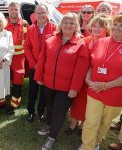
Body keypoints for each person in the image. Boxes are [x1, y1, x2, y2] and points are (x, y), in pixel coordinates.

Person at [34, 13, 89, 150]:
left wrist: (74, 88)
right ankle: (48, 123)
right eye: (65, 22)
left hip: (66, 87)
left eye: (71, 23)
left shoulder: (81, 44)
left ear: (76, 26)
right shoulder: (51, 39)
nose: (68, 25)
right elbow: (42, 60)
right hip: (48, 83)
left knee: (59, 111)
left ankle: (51, 137)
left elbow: (80, 69)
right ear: (61, 24)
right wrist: (38, 76)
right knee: (50, 107)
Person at [80, 13, 122, 150]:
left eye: (121, 26)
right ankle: (87, 147)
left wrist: (106, 85)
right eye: (115, 25)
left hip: (115, 93)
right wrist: (87, 78)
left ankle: (96, 141)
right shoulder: (101, 42)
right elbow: (92, 64)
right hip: (94, 89)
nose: (117, 28)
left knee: (105, 122)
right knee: (91, 122)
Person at [65, 14, 112, 136]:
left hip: (97, 81)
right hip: (82, 79)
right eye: (94, 26)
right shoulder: (85, 40)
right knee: (78, 103)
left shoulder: (109, 43)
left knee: (90, 107)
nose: (96, 29)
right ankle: (73, 125)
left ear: (107, 28)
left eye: (100, 26)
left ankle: (83, 126)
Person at [24, 4, 56, 122]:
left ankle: (41, 111)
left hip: (47, 67)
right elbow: (27, 47)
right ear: (35, 15)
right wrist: (34, 63)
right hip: (34, 66)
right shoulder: (31, 28)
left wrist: (44, 65)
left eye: (43, 12)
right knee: (32, 90)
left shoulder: (55, 28)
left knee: (44, 92)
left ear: (47, 13)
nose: (41, 15)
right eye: (38, 13)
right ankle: (31, 112)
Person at [4, 2, 29, 115]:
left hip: (19, 59)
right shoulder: (3, 23)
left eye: (16, 9)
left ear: (19, 10)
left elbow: (28, 42)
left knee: (17, 82)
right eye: (12, 9)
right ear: (8, 10)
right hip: (5, 58)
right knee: (3, 81)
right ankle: (1, 103)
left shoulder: (25, 24)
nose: (14, 11)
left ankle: (14, 104)